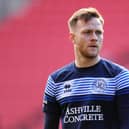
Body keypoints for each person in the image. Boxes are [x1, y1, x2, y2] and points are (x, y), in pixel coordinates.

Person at [43, 7, 129, 129]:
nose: (94, 37)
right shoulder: (55, 81)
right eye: (87, 32)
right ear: (73, 38)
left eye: (98, 32)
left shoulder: (121, 77)